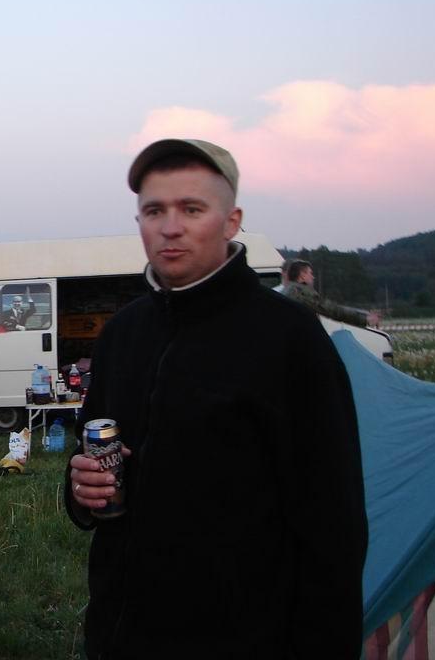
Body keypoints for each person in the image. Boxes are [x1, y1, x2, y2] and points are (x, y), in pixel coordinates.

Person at [66, 139, 367, 659]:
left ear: (231, 222)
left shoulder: (289, 337)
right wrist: (80, 491)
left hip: (244, 637)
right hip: (122, 635)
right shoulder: (123, 333)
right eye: (154, 211)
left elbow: (333, 524)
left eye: (191, 209)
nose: (170, 227)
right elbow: (90, 454)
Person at [284, 259, 381, 328]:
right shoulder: (300, 292)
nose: (313, 277)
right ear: (302, 275)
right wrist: (364, 319)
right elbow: (330, 309)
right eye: (310, 273)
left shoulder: (287, 291)